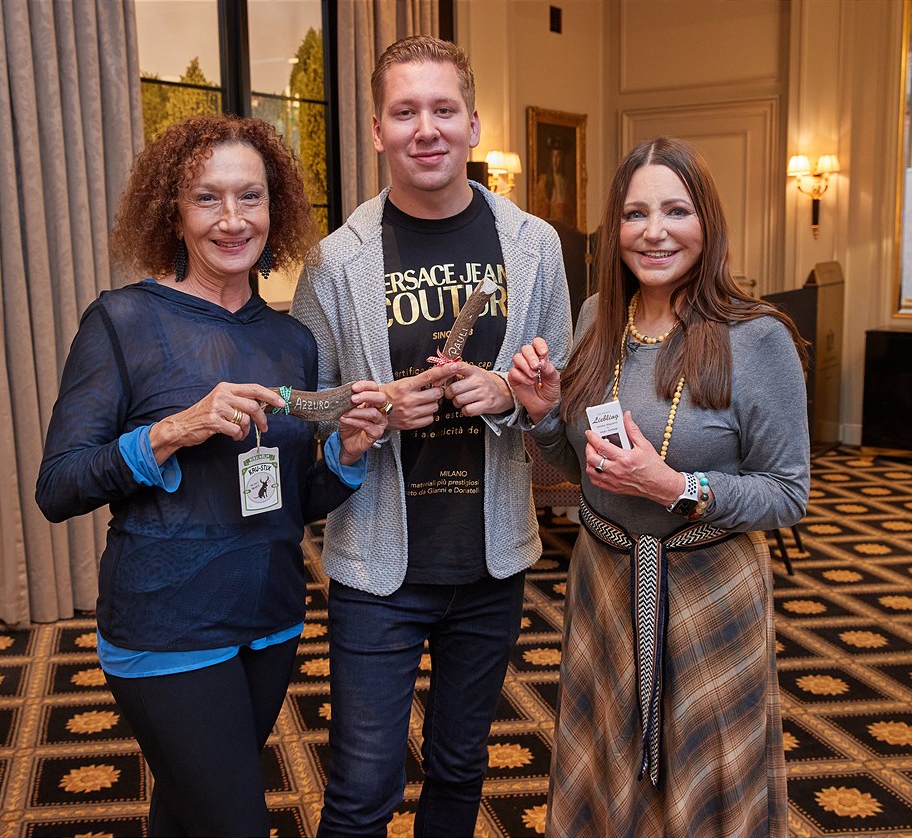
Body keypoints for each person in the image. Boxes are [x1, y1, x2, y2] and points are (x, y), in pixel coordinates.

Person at [35, 114, 388, 837]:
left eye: (250, 197)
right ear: (173, 212)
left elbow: (293, 499)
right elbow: (60, 485)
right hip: (167, 626)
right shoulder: (123, 322)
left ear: (275, 209)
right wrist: (175, 430)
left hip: (270, 623)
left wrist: (345, 456)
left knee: (186, 811)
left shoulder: (291, 340)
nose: (233, 219)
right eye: (207, 198)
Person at [291, 35, 572, 836]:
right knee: (359, 791)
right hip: (376, 566)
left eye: (443, 109)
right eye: (405, 111)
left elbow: (557, 406)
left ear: (473, 122)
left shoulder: (535, 247)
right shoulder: (335, 261)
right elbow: (302, 406)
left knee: (460, 771)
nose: (427, 128)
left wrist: (513, 400)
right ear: (377, 130)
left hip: (491, 564)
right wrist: (367, 410)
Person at [508, 136, 809, 836]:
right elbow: (581, 462)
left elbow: (788, 493)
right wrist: (546, 411)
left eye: (675, 211)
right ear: (615, 229)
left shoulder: (753, 337)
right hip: (605, 587)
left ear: (707, 222)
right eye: (636, 213)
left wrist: (678, 485)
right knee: (607, 768)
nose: (654, 232)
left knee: (704, 779)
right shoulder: (596, 319)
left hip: (708, 593)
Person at [534, 136, 576, 228]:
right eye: (553, 156)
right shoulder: (543, 182)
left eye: (558, 156)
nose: (555, 160)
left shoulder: (568, 185)